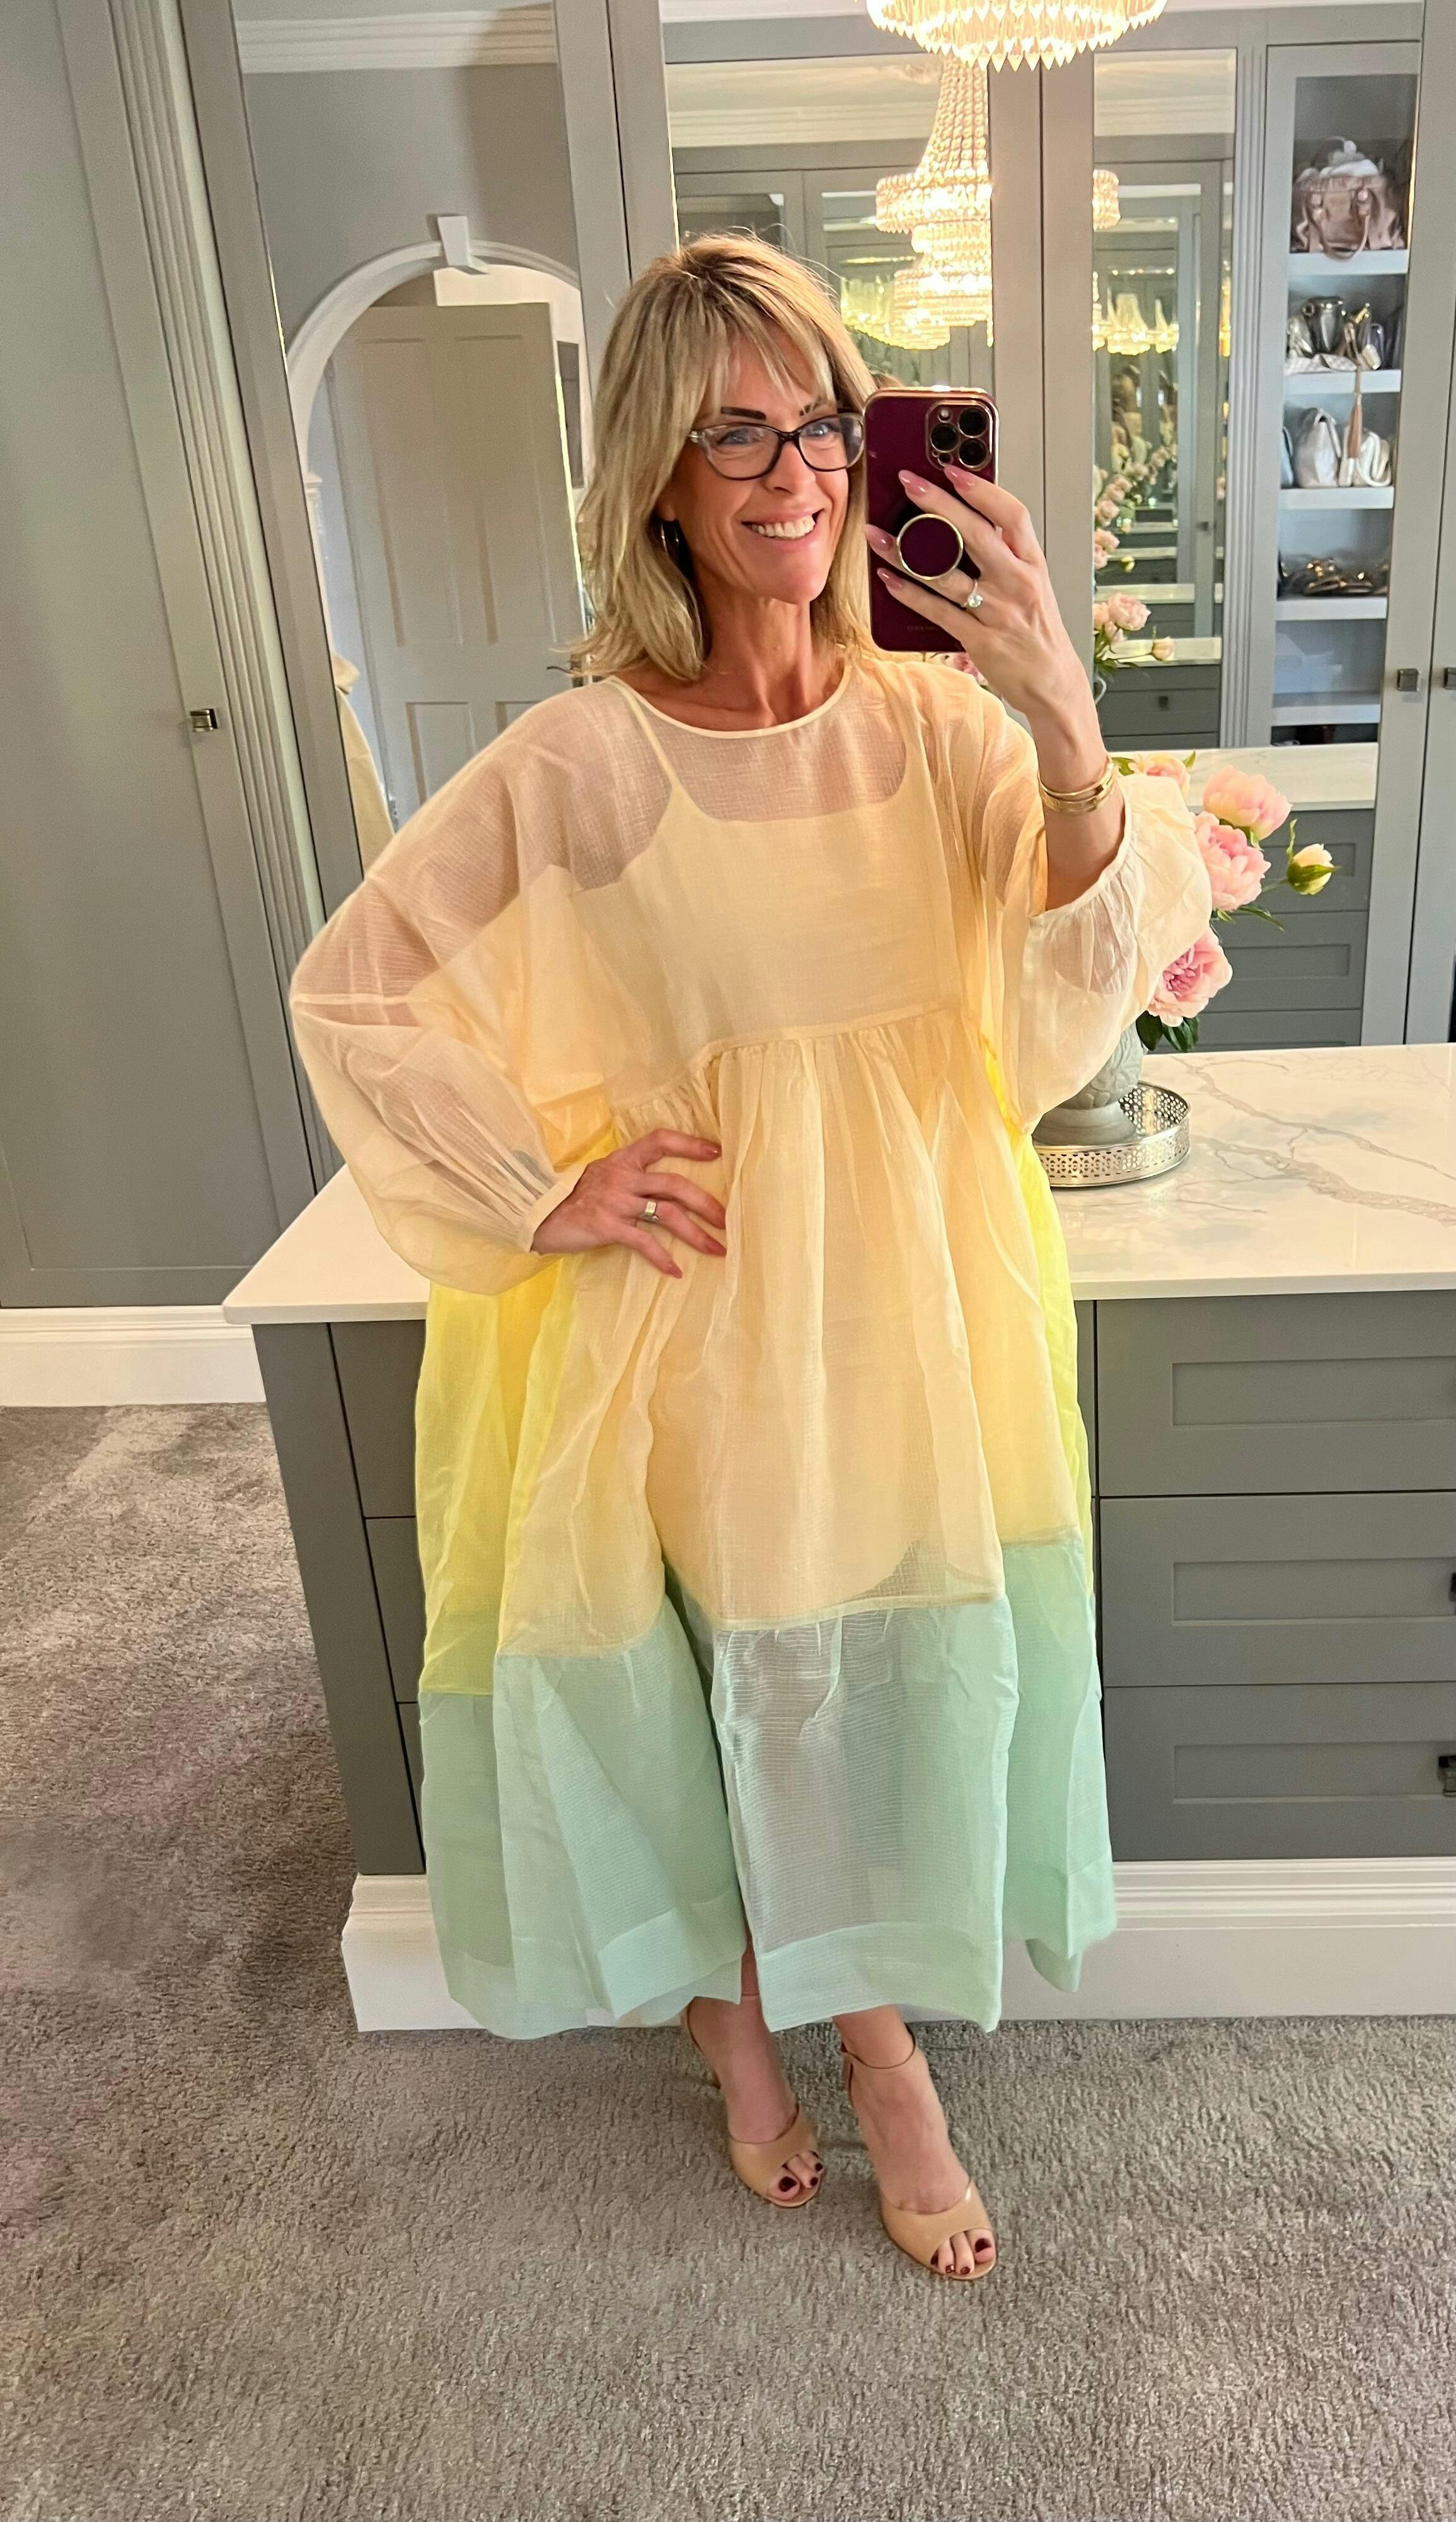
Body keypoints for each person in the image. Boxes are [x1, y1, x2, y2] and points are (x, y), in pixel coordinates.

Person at [289, 236, 1211, 2281]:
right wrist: (544, 1188)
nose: (795, 470)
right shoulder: (587, 759)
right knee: (717, 1693)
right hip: (690, 1323)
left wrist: (1062, 710)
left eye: (822, 421)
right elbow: (356, 989)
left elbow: (1070, 983)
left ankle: (853, 2035)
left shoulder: (938, 727)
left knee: (852, 1690)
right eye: (737, 433)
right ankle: (792, 2044)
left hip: (913, 1308)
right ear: (658, 479)